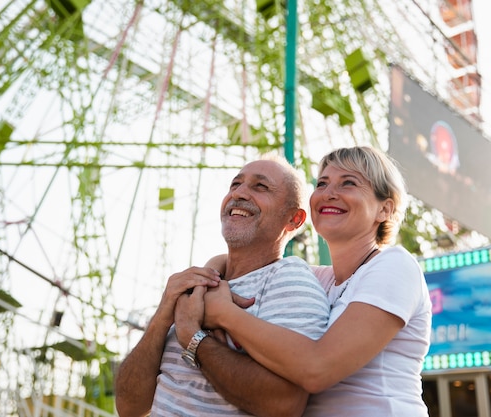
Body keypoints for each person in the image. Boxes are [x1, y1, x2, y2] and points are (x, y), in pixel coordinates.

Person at [178, 146, 432, 416]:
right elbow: (240, 262)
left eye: (348, 183)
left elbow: (317, 370)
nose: (329, 193)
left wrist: (223, 314)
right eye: (322, 183)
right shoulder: (317, 280)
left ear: (385, 209)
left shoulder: (394, 265)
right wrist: (212, 273)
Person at [114, 155, 330, 417]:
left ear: (294, 220)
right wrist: (162, 316)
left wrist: (193, 338)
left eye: (260, 187)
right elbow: (129, 407)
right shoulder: (192, 287)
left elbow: (284, 404)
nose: (239, 193)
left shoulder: (289, 281)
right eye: (235, 184)